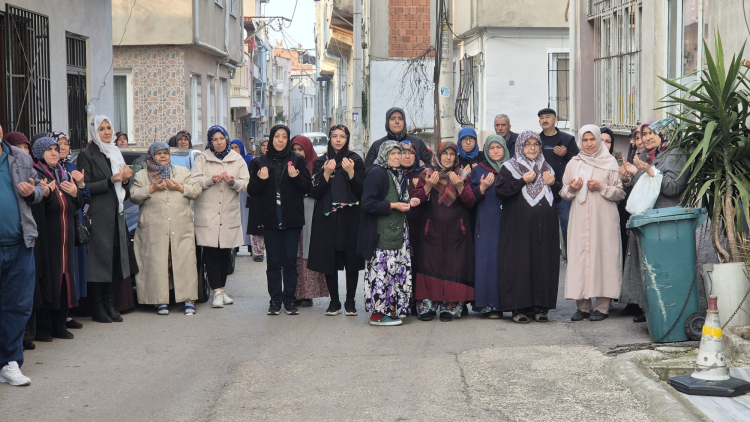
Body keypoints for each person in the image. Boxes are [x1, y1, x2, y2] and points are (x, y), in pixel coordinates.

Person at [619, 118, 688, 322]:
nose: (647, 138)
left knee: (662, 268)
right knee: (647, 266)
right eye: (645, 134)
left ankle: (664, 312)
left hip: (664, 221)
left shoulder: (676, 154)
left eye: (652, 133)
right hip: (649, 219)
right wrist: (629, 177)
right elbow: (644, 187)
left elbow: (674, 187)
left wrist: (649, 171)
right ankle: (648, 310)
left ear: (667, 134)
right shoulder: (652, 155)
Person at [560, 126, 625, 322]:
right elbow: (564, 193)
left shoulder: (610, 162)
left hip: (604, 219)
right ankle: (582, 307)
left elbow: (620, 193)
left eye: (592, 139)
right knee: (580, 258)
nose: (589, 144)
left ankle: (602, 307)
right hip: (579, 219)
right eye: (585, 140)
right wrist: (572, 188)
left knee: (604, 257)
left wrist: (601, 187)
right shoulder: (573, 163)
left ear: (598, 140)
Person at [496, 131, 561, 323]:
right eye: (527, 144)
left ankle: (541, 307)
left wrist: (554, 184)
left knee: (544, 261)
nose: (532, 148)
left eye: (536, 144)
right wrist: (522, 181)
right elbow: (500, 192)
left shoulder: (547, 168)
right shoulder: (510, 167)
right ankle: (519, 308)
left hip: (546, 227)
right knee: (520, 263)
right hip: (519, 228)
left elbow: (558, 196)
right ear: (520, 146)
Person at [131, 142, 202, 315]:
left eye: (165, 153)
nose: (163, 156)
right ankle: (159, 301)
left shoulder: (182, 172)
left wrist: (179, 187)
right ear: (152, 156)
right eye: (159, 153)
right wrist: (152, 188)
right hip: (154, 228)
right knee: (157, 264)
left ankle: (188, 300)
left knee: (185, 262)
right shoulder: (142, 175)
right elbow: (133, 196)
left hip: (180, 226)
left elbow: (197, 190)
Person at [248, 125, 311, 315]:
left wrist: (296, 178)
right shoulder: (260, 161)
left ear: (288, 140)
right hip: (270, 219)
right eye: (277, 136)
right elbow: (252, 191)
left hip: (292, 219)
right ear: (272, 139)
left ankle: (290, 300)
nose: (281, 140)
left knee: (290, 262)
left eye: (284, 136)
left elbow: (307, 187)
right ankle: (275, 300)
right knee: (274, 263)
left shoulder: (297, 160)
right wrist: (261, 180)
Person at [76, 115, 133, 323]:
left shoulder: (115, 152)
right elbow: (85, 188)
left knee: (114, 260)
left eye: (109, 128)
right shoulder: (86, 154)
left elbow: (123, 188)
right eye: (102, 129)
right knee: (99, 263)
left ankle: (110, 304)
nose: (107, 132)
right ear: (94, 132)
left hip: (117, 214)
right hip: (98, 215)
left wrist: (125, 181)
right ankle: (98, 307)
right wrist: (110, 181)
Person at [411, 142, 476, 322]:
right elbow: (415, 200)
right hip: (431, 231)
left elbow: (471, 202)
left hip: (457, 233)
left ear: (456, 157)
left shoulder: (462, 176)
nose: (448, 157)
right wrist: (428, 186)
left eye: (452, 154)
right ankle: (428, 306)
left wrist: (460, 186)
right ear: (438, 156)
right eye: (444, 154)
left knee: (454, 266)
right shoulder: (427, 174)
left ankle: (450, 306)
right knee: (429, 265)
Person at [0, 129, 44, 386]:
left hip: (20, 244)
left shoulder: (21, 157)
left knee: (18, 306)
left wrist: (32, 193)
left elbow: (39, 189)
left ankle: (10, 362)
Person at [308, 125, 366, 316]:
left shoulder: (355, 160)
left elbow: (362, 190)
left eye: (342, 136)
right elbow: (315, 192)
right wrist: (325, 173)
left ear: (347, 139)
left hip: (350, 217)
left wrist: (351, 172)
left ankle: (350, 301)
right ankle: (334, 301)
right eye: (335, 136)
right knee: (329, 258)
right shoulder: (321, 161)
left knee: (351, 259)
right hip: (327, 217)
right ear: (330, 139)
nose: (338, 139)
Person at [30, 137, 84, 339]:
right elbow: (36, 207)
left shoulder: (63, 174)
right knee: (48, 280)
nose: (54, 153)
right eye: (49, 150)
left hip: (66, 237)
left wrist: (77, 192)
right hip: (47, 238)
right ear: (39, 153)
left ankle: (60, 325)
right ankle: (44, 328)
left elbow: (78, 205)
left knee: (65, 280)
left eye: (56, 149)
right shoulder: (36, 175)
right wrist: (46, 194)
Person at [192, 125, 250, 309]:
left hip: (228, 213)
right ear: (210, 141)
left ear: (227, 139)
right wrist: (210, 180)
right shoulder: (203, 158)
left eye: (222, 139)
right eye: (215, 139)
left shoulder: (236, 158)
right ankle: (216, 291)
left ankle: (222, 289)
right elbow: (193, 182)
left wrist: (233, 182)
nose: (219, 143)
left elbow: (247, 184)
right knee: (211, 253)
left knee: (225, 253)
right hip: (208, 213)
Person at [358, 141, 412, 326]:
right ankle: (378, 315)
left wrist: (410, 203)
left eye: (399, 153)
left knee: (395, 273)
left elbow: (401, 199)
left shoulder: (398, 174)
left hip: (397, 232)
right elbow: (367, 203)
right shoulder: (377, 173)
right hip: (381, 235)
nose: (397, 157)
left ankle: (392, 310)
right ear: (384, 155)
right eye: (393, 153)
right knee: (381, 274)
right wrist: (393, 205)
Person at [52, 132, 89, 328]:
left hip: (74, 221)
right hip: (57, 224)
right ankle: (57, 315)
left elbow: (86, 197)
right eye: (59, 144)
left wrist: (80, 186)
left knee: (73, 266)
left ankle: (68, 311)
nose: (64, 147)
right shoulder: (48, 169)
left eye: (66, 144)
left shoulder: (71, 167)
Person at [470, 135, 508, 318]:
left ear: (504, 149)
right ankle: (488, 305)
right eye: (491, 148)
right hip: (485, 223)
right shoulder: (479, 170)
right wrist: (482, 188)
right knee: (487, 262)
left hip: (508, 221)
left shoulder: (512, 168)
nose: (495, 151)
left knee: (505, 262)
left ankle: (506, 303)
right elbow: (470, 198)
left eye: (498, 147)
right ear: (486, 150)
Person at [290, 136, 328, 307]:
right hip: (292, 211)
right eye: (294, 150)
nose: (298, 153)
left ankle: (308, 294)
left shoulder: (316, 165)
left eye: (301, 149)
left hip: (311, 211)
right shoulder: (288, 165)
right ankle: (293, 292)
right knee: (293, 252)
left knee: (308, 249)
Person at [538, 108, 578, 251]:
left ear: (555, 120)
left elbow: (579, 161)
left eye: (548, 117)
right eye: (542, 118)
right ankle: (545, 255)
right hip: (542, 191)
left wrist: (566, 154)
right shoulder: (536, 141)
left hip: (563, 191)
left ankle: (569, 255)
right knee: (543, 226)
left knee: (567, 222)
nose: (545, 120)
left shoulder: (567, 139)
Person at [364, 107, 433, 171]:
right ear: (387, 122)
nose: (397, 121)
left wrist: (416, 166)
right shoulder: (378, 145)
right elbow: (367, 171)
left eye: (400, 118)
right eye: (393, 118)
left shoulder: (417, 142)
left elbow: (431, 167)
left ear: (404, 122)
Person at [231, 139, 254, 252]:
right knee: (235, 218)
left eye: (236, 147)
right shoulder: (228, 161)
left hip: (245, 193)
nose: (234, 150)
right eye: (232, 148)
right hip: (233, 192)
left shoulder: (249, 161)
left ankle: (250, 245)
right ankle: (235, 246)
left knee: (247, 219)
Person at [247, 138, 267, 262]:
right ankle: (258, 252)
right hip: (256, 196)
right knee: (256, 225)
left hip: (269, 197)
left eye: (268, 145)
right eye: (263, 145)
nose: (266, 147)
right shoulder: (255, 162)